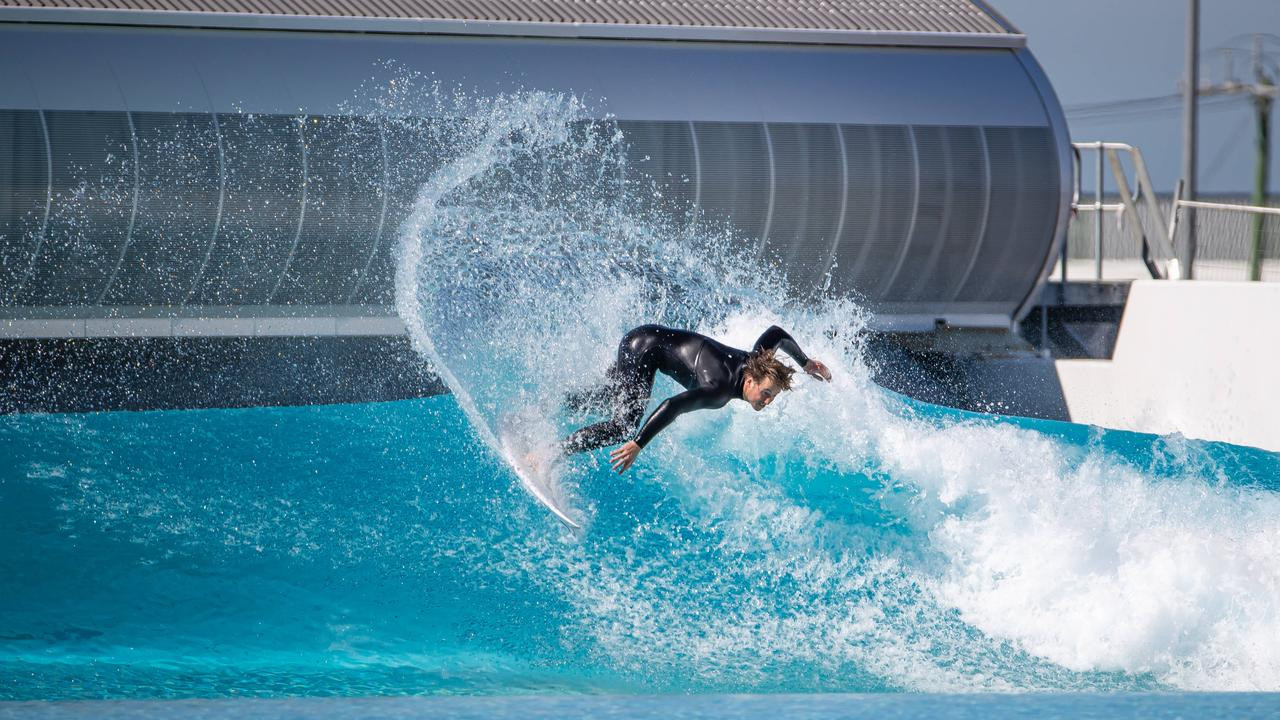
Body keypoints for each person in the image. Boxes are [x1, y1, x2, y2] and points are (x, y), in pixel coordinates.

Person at [560, 324, 831, 473]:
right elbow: (672, 406)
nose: (767, 401)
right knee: (624, 426)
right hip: (642, 349)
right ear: (750, 381)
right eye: (767, 393)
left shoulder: (757, 360)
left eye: (772, 396)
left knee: (613, 397)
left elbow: (777, 334)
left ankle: (558, 402)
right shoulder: (720, 391)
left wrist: (805, 363)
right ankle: (550, 452)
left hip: (644, 339)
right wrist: (638, 444)